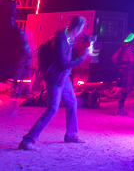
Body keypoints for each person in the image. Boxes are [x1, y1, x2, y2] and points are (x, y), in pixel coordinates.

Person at [18, 15, 92, 150]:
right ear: (75, 28)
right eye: (80, 30)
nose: (81, 33)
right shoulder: (61, 41)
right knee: (52, 109)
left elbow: (80, 36)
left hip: (64, 77)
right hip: (55, 78)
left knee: (72, 103)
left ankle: (71, 135)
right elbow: (64, 64)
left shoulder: (68, 33)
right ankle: (27, 141)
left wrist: (87, 37)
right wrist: (83, 56)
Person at [111, 32, 134, 115]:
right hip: (129, 71)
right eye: (133, 38)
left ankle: (120, 109)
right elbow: (133, 60)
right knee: (126, 91)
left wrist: (119, 66)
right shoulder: (129, 49)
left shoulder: (122, 48)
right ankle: (120, 110)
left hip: (124, 70)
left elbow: (113, 58)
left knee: (124, 90)